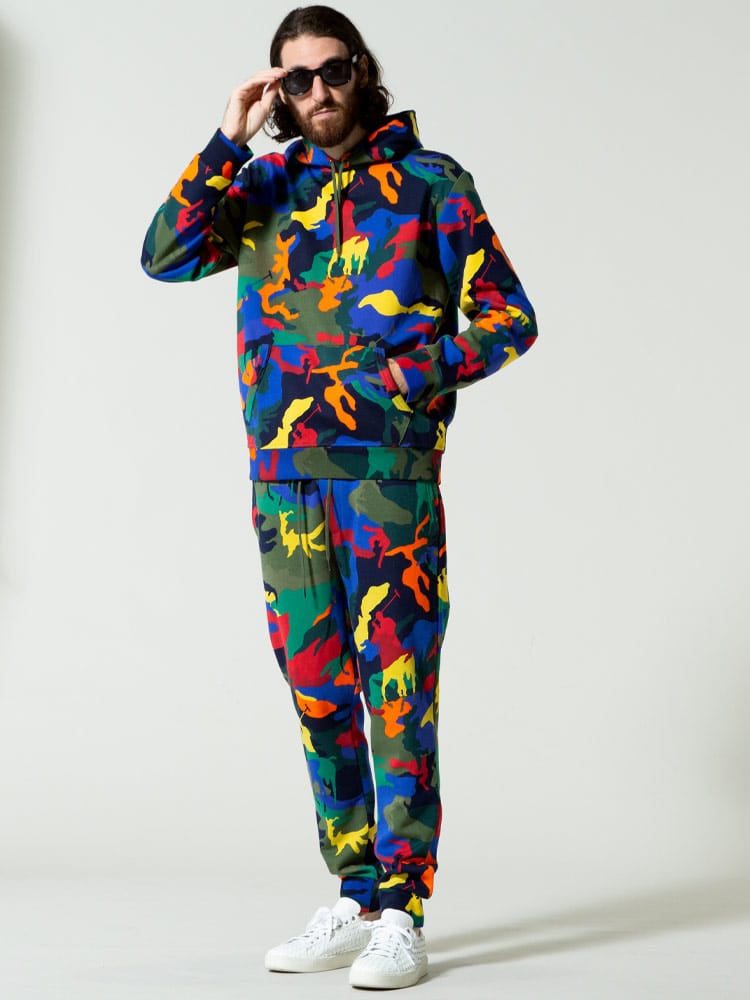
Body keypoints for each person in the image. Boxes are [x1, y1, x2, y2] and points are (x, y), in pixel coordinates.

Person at [142, 4, 537, 990]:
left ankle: (404, 910)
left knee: (397, 688)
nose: (318, 91)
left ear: (363, 70)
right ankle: (357, 896)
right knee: (317, 689)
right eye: (296, 79)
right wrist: (227, 137)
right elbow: (164, 254)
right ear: (278, 90)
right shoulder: (262, 185)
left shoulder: (431, 184)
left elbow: (510, 318)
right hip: (285, 485)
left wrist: (412, 378)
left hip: (386, 481)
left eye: (333, 70)